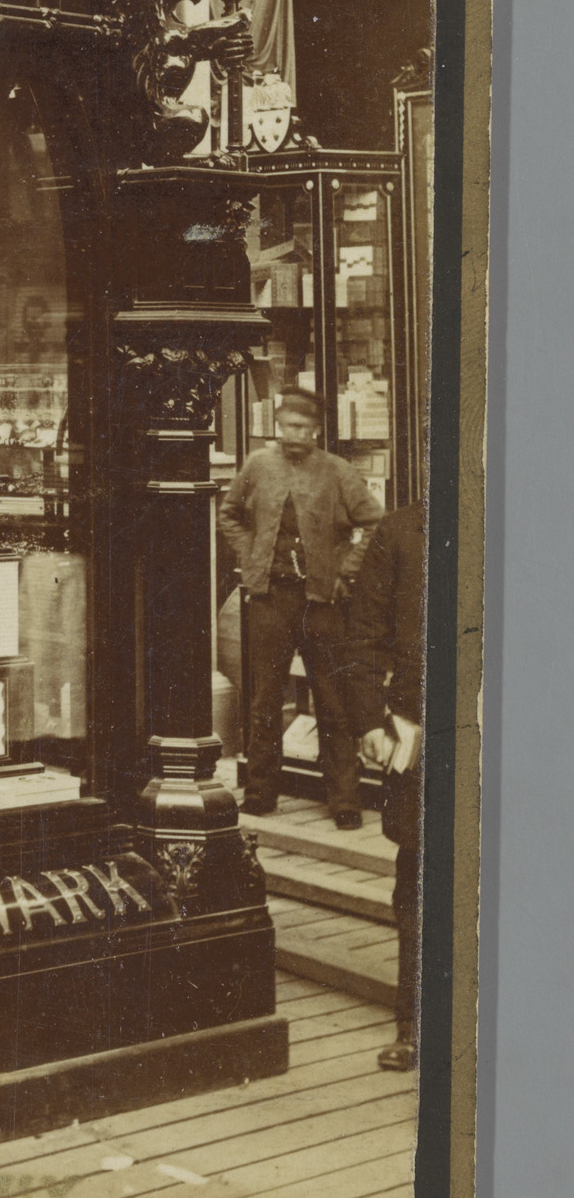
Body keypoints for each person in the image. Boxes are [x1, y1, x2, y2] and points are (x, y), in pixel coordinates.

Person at [220, 385, 382, 824]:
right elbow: (229, 514)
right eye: (291, 425)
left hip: (322, 603)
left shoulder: (337, 471)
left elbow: (374, 523)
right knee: (265, 700)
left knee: (333, 701)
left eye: (306, 427)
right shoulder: (258, 465)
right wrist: (251, 554)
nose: (297, 434)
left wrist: (345, 570)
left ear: (317, 431)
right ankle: (260, 793)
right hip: (270, 599)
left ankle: (344, 801)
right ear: (278, 425)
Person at [346, 501, 426, 1072]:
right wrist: (370, 721)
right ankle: (415, 1026)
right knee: (418, 877)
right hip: (420, 731)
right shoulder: (400, 532)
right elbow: (364, 636)